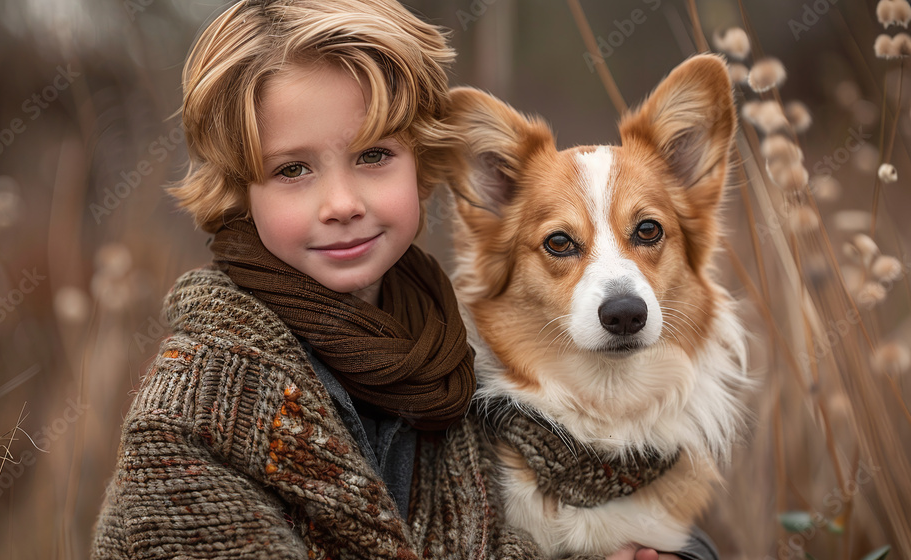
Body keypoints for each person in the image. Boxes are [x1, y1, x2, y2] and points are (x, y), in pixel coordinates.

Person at [89, 1, 722, 559]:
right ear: (236, 190)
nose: (341, 203)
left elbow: (597, 483)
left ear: (424, 162)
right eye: (292, 170)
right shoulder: (191, 413)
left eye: (373, 155)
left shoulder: (446, 359)